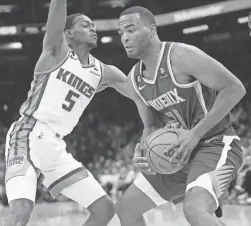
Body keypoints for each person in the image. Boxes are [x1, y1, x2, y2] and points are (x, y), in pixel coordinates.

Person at [115, 6, 246, 226]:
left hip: (216, 144)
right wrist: (144, 149)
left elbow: (235, 88)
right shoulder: (133, 81)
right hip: (177, 154)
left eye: (130, 30)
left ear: (151, 30)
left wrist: (194, 134)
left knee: (194, 210)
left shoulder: (182, 56)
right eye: (121, 33)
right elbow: (150, 125)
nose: (125, 38)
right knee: (126, 209)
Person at [4, 1, 128, 226]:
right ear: (68, 34)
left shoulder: (105, 73)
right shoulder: (55, 52)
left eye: (93, 25)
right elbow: (57, 12)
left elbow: (140, 95)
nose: (93, 28)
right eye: (85, 25)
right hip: (27, 134)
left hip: (56, 147)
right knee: (21, 211)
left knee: (104, 209)